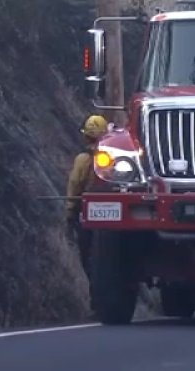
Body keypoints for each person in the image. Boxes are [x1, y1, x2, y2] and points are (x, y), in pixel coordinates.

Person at [66, 114, 109, 280]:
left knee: (87, 256)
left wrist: (70, 213)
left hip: (87, 216)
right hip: (113, 220)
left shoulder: (83, 160)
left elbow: (75, 185)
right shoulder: (117, 159)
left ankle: (94, 287)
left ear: (86, 136)